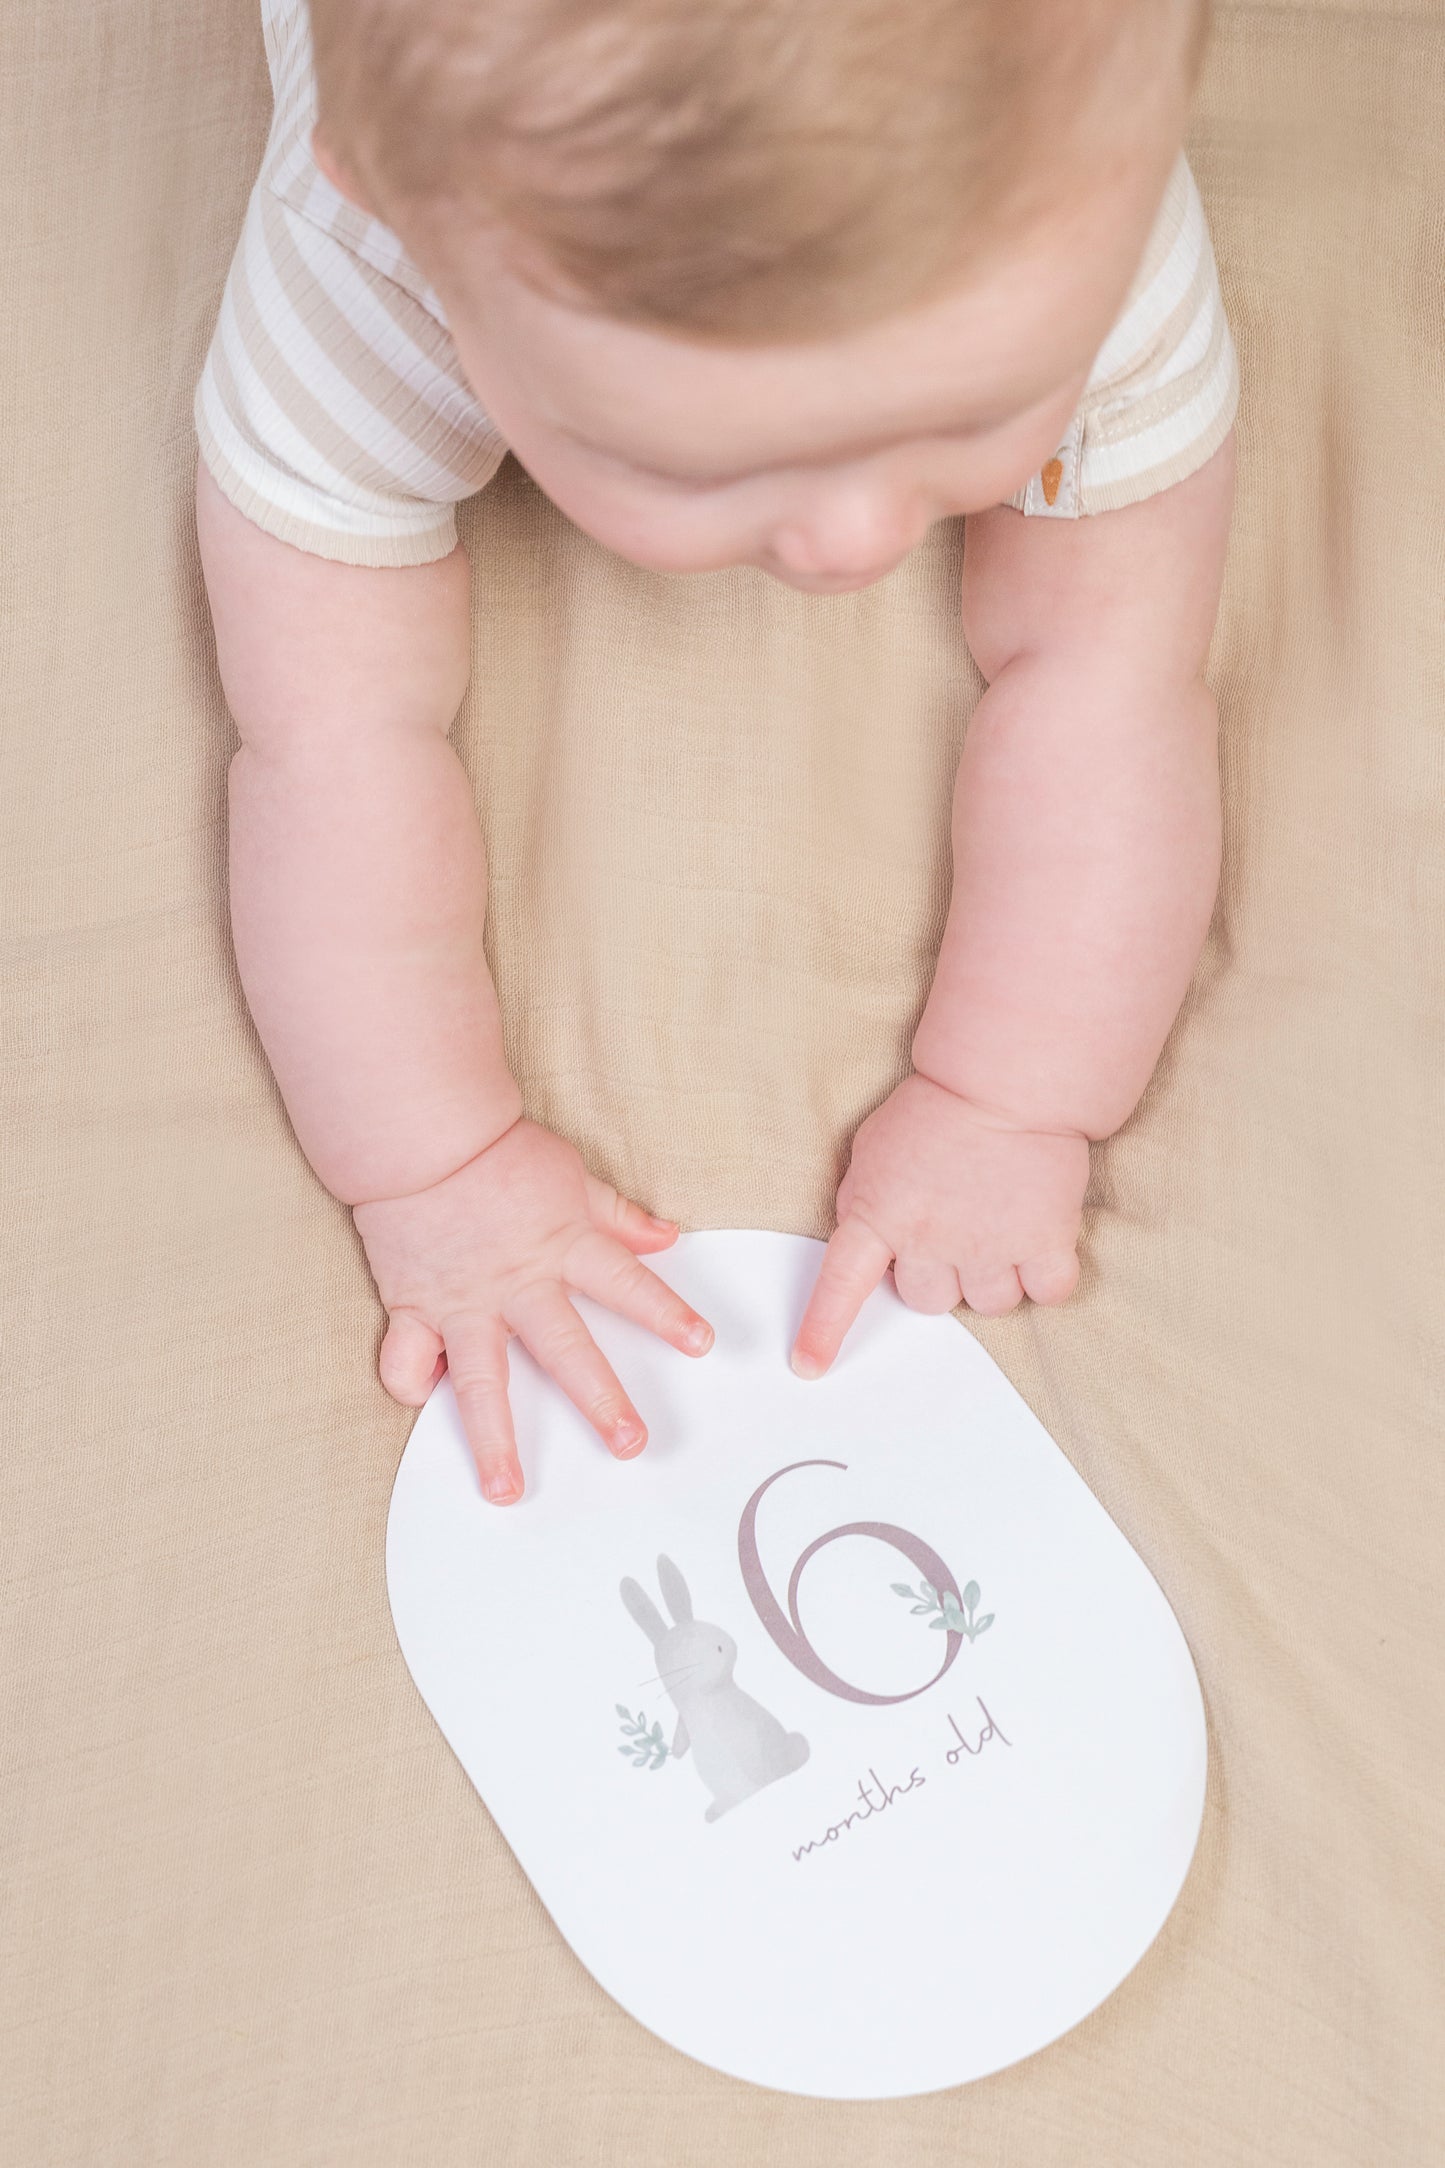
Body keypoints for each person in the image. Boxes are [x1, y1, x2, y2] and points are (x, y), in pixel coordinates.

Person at [194, 0, 1238, 1502]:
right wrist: (432, 1164)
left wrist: (1012, 1094)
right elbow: (328, 739)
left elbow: (1113, 673)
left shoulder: (1085, 213)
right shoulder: (356, 281)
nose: (851, 543)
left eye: (985, 407)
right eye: (688, 464)